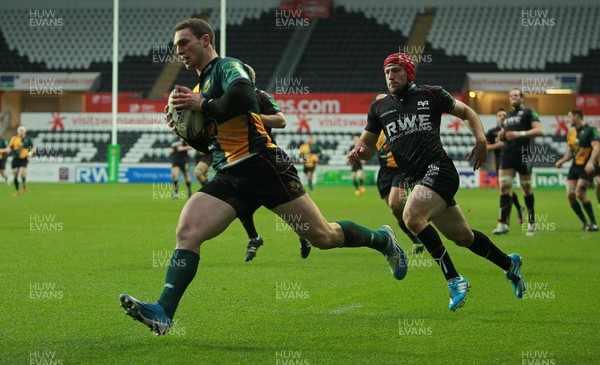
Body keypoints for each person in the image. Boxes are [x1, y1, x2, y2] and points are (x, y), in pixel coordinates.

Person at [119, 18, 407, 335]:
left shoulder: (228, 67)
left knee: (324, 237)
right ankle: (163, 312)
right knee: (188, 230)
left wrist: (203, 103)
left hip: (264, 166)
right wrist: (187, 133)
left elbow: (244, 98)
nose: (179, 51)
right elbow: (210, 141)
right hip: (229, 174)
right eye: (175, 47)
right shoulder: (199, 88)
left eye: (184, 43)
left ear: (205, 40)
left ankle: (382, 240)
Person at [348, 52, 526, 311]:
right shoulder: (379, 108)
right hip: (418, 179)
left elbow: (467, 112)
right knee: (464, 237)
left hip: (440, 169)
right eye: (386, 72)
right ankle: (510, 265)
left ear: (408, 72)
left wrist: (480, 140)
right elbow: (366, 145)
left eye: (396, 70)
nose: (390, 76)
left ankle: (454, 279)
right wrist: (358, 152)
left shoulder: (430, 95)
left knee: (411, 217)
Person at [240, 63, 311, 261]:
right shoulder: (231, 100)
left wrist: (255, 117)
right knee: (239, 205)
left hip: (266, 159)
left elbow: (281, 121)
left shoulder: (260, 96)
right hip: (242, 160)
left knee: (287, 206)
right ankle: (254, 237)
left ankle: (305, 233)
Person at [492, 89, 543, 236]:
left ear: (522, 98)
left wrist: (519, 134)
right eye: (511, 96)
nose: (513, 98)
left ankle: (531, 223)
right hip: (507, 155)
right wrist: (502, 135)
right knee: (504, 187)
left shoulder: (529, 113)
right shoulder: (507, 116)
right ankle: (502, 223)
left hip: (523, 154)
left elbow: (539, 130)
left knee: (526, 188)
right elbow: (503, 135)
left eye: (516, 95)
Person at [374, 128, 425, 255]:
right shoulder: (376, 129)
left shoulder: (399, 124)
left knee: (395, 203)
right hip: (384, 172)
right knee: (396, 211)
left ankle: (418, 215)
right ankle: (418, 241)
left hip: (401, 170)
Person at [555, 109, 599, 231]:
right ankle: (585, 223)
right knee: (570, 194)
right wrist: (562, 161)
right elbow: (570, 151)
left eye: (569, 117)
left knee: (579, 193)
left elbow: (596, 147)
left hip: (586, 167)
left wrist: (591, 162)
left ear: (577, 116)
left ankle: (594, 223)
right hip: (575, 167)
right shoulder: (571, 133)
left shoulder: (591, 130)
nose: (568, 120)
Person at [485, 108, 525, 226]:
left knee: (507, 190)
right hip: (500, 164)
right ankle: (518, 209)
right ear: (497, 117)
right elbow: (486, 147)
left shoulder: (513, 131)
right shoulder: (492, 132)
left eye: (504, 115)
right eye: (499, 115)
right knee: (507, 191)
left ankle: (504, 219)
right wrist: (498, 145)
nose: (501, 117)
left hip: (513, 162)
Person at [8, 126, 35, 196]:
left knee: (23, 172)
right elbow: (10, 148)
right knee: (15, 175)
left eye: (22, 130)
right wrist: (7, 151)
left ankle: (24, 183)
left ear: (25, 131)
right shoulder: (14, 138)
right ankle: (17, 191)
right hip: (15, 158)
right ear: (17, 131)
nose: (20, 131)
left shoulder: (28, 139)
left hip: (24, 158)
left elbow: (34, 147)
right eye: (19, 130)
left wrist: (31, 152)